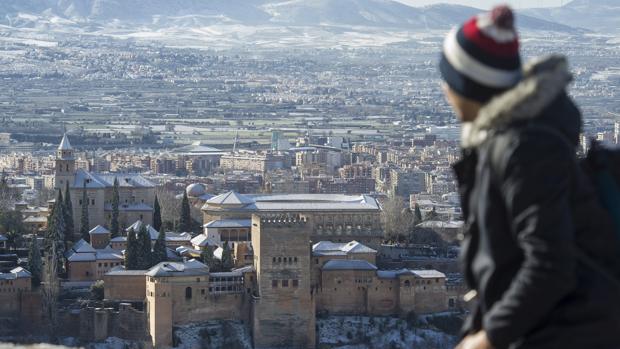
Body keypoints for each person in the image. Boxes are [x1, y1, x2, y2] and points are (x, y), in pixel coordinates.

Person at [439, 5, 620, 349]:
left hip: (564, 333)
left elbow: (550, 263)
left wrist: (489, 338)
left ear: (468, 86)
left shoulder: (523, 149)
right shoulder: (509, 141)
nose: (445, 90)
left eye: (448, 80)